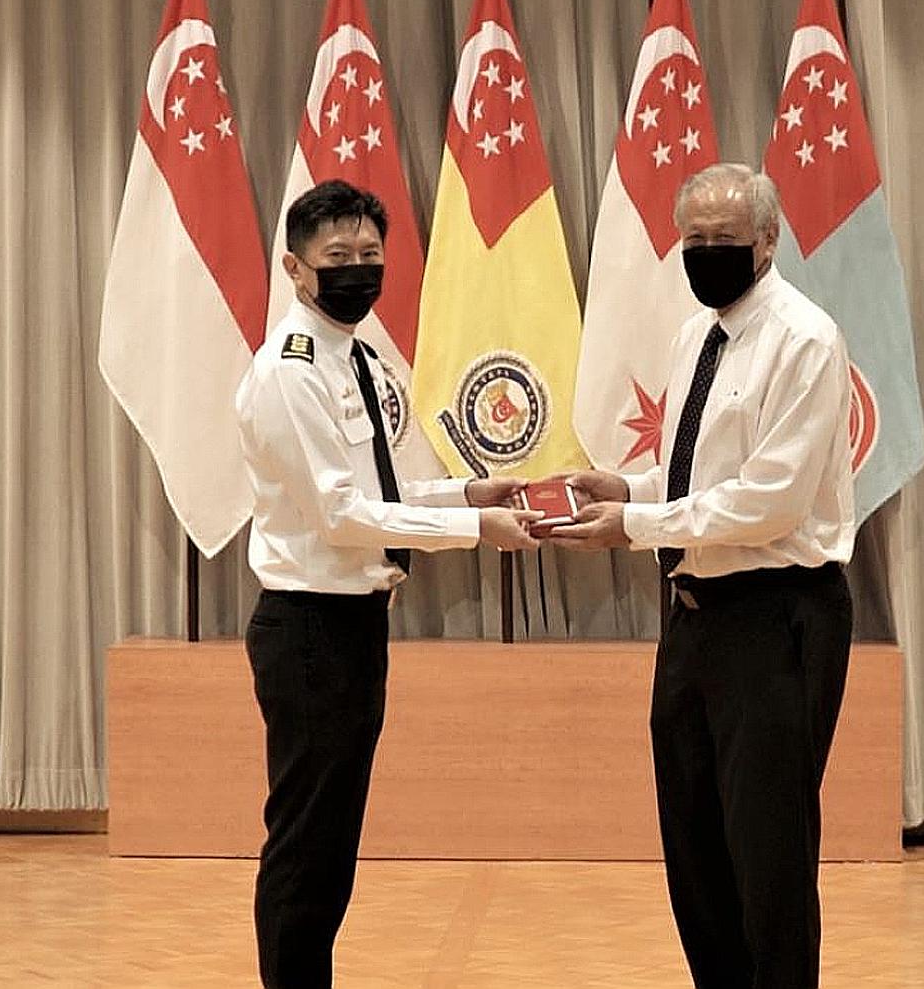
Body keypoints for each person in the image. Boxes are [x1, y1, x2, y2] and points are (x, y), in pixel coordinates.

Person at [551, 163, 856, 988]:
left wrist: (638, 525)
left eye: (723, 241)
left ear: (768, 241)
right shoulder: (697, 334)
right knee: (694, 843)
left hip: (776, 614)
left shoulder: (804, 338)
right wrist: (629, 489)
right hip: (692, 616)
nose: (705, 255)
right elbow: (699, 480)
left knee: (769, 853)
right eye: (693, 240)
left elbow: (770, 502)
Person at [234, 179, 540, 989]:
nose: (359, 271)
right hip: (307, 627)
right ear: (297, 270)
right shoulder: (290, 371)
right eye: (339, 258)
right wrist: (476, 533)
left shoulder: (361, 356)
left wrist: (471, 494)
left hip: (356, 625)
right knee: (306, 841)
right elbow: (341, 516)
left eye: (371, 255)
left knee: (333, 841)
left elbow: (386, 490)